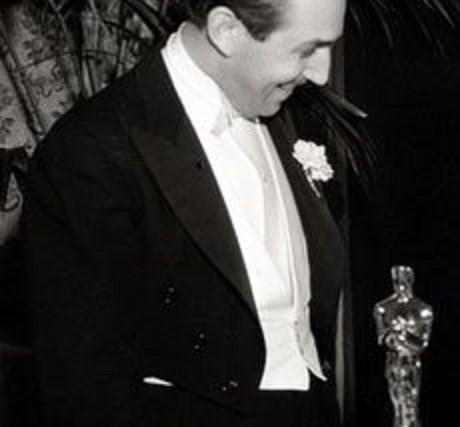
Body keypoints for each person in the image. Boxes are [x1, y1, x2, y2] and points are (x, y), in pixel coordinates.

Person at [23, 0, 348, 425]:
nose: (321, 73)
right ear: (225, 29)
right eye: (306, 49)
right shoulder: (92, 151)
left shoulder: (297, 112)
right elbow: (86, 390)